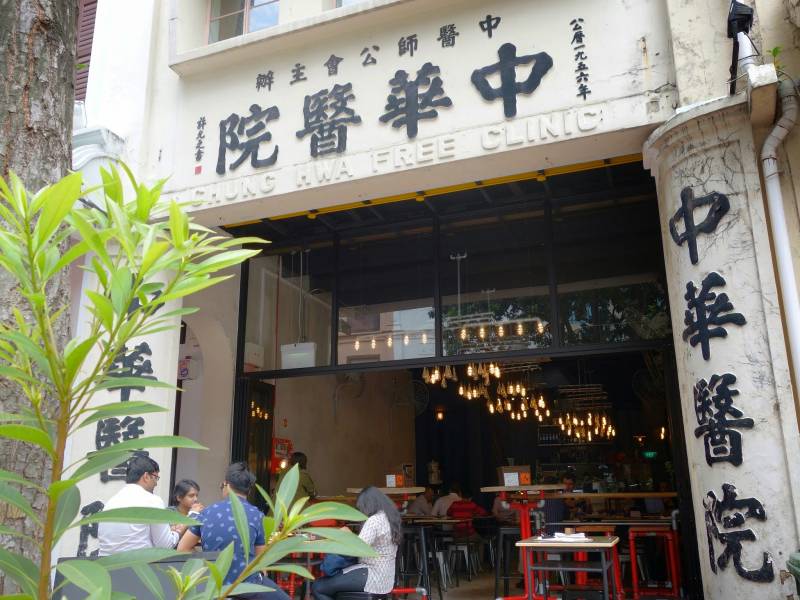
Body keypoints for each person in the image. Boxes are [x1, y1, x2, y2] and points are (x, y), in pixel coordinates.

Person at [178, 462, 289, 599]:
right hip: (247, 586)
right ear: (249, 490)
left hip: (213, 586)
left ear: (227, 485)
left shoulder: (207, 512)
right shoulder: (257, 515)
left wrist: (206, 562)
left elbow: (182, 548)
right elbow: (260, 562)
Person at [311, 486, 401, 600]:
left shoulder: (374, 520)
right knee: (330, 586)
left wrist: (344, 535)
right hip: (386, 579)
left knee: (318, 587)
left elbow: (357, 549)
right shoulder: (389, 518)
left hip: (372, 576)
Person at [98, 456, 183, 555]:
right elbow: (165, 545)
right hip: (136, 563)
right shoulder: (153, 501)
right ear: (146, 476)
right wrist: (181, 528)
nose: (156, 484)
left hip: (104, 563)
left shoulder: (111, 502)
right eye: (156, 478)